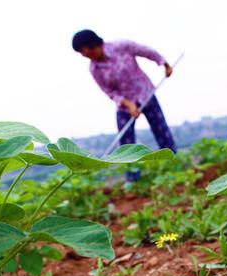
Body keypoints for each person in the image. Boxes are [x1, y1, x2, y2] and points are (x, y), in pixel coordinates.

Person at [72, 29, 178, 181]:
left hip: (145, 93)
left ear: (91, 44)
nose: (84, 55)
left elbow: (146, 51)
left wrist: (164, 64)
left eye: (84, 50)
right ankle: (133, 178)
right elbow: (109, 91)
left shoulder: (121, 46)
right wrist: (128, 104)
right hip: (124, 105)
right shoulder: (94, 69)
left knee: (161, 130)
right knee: (126, 143)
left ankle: (174, 165)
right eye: (81, 53)